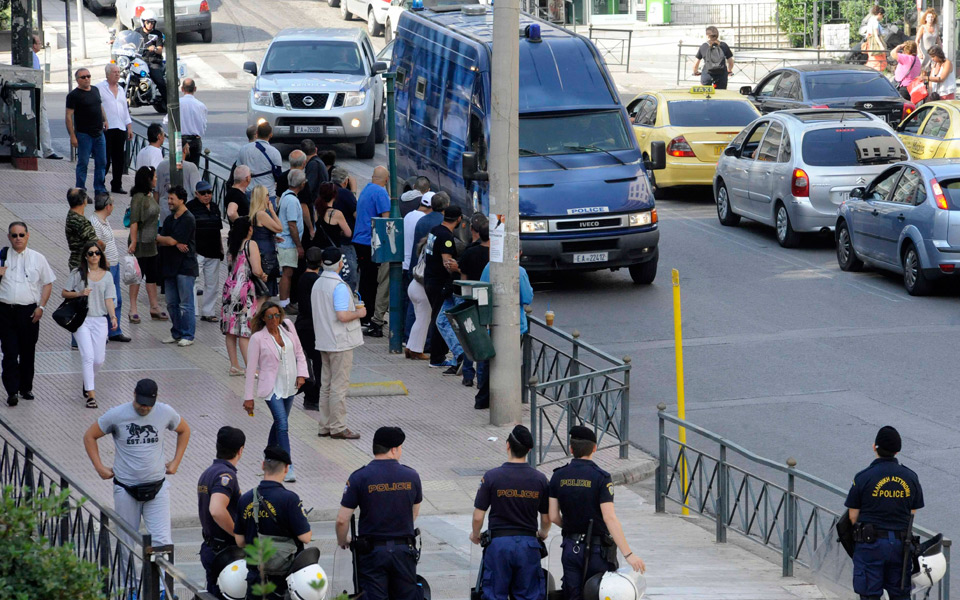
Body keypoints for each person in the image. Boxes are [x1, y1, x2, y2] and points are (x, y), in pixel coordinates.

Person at [82, 378, 191, 567]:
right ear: (134, 395)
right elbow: (90, 436)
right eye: (141, 403)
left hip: (157, 488)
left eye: (149, 404)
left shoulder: (165, 412)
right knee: (126, 543)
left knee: (162, 543)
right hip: (126, 489)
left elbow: (184, 430)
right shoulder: (117, 414)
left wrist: (176, 462)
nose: (144, 408)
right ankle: (128, 582)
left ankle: (162, 583)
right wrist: (99, 467)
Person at [549, 426, 646, 600]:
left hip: (570, 547)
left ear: (571, 449)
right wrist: (628, 554)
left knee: (572, 595)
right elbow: (609, 518)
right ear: (594, 448)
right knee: (598, 593)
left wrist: (571, 526)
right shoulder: (601, 477)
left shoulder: (558, 476)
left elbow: (553, 516)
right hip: (597, 550)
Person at [336, 426, 423, 599]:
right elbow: (413, 514)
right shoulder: (411, 476)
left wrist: (343, 540)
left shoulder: (359, 477)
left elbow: (342, 519)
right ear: (394, 449)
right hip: (403, 551)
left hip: (372, 553)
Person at [470, 425, 551, 600]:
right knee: (529, 595)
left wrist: (475, 534)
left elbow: (478, 516)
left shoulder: (491, 477)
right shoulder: (540, 479)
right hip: (528, 545)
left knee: (494, 594)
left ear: (507, 445)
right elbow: (546, 517)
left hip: (499, 545)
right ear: (529, 450)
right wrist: (543, 533)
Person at [845, 426, 924, 600]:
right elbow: (912, 512)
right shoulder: (910, 477)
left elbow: (852, 516)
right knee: (900, 594)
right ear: (898, 450)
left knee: (869, 594)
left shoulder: (863, 477)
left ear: (875, 447)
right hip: (901, 546)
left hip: (870, 544)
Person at [234, 447, 312, 599]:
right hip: (283, 582)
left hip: (256, 580)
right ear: (286, 468)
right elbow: (305, 537)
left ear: (263, 465)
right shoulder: (290, 499)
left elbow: (240, 541)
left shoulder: (245, 499)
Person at [243, 302, 308, 482]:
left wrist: (302, 374)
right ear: (263, 318)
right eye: (270, 316)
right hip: (272, 388)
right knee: (282, 424)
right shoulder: (258, 338)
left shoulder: (288, 327)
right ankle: (288, 466)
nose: (274, 319)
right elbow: (251, 369)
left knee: (280, 422)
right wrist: (248, 397)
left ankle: (268, 454)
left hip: (289, 385)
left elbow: (299, 352)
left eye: (277, 315)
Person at [0, 222, 55, 407]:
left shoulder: (37, 258)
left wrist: (42, 307)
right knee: (9, 352)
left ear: (28, 236)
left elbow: (48, 283)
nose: (18, 239)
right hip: (5, 311)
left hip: (28, 311)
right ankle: (11, 391)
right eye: (14, 235)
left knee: (27, 351)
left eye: (21, 235)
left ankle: (25, 387)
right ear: (9, 237)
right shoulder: (2, 257)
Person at [312, 247, 364, 440]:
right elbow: (342, 315)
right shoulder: (339, 286)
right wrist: (359, 313)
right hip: (340, 342)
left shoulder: (318, 283)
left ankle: (325, 425)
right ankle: (338, 426)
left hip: (324, 340)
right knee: (339, 386)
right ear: (340, 264)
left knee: (326, 384)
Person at [62, 241, 116, 408]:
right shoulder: (78, 273)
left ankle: (88, 381)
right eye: (91, 253)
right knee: (88, 356)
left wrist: (113, 317)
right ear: (85, 256)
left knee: (99, 360)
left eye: (97, 253)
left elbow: (109, 299)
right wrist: (79, 293)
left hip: (100, 319)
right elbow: (64, 292)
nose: (94, 256)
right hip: (82, 320)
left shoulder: (107, 275)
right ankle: (91, 395)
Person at [477, 253, 533, 409]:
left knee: (490, 362)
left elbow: (481, 289)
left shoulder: (489, 267)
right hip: (512, 324)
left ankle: (483, 397)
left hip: (490, 321)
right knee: (509, 363)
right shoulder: (519, 271)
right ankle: (504, 399)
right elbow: (527, 298)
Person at [198, 426, 245, 600]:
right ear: (240, 450)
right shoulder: (226, 476)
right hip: (224, 552)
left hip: (211, 547)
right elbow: (216, 510)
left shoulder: (208, 472)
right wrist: (238, 534)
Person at [221, 216, 267, 376]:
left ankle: (234, 365)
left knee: (231, 330)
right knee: (244, 330)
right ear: (249, 229)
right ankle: (251, 368)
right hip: (245, 291)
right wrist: (263, 275)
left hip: (229, 288)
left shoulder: (231, 245)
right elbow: (256, 270)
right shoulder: (250, 244)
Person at [450, 213, 490, 387]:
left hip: (471, 299)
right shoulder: (496, 256)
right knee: (484, 341)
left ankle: (467, 375)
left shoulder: (470, 252)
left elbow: (464, 279)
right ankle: (482, 379)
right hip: (488, 301)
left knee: (471, 337)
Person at [157, 186, 199, 347]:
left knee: (186, 304)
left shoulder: (188, 219)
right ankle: (177, 332)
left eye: (172, 199)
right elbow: (166, 240)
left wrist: (169, 241)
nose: (169, 202)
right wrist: (170, 241)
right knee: (171, 303)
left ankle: (188, 335)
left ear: (181, 200)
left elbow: (170, 240)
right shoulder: (169, 219)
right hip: (169, 267)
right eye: (168, 199)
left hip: (185, 267)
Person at [424, 206, 463, 368]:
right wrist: (458, 269)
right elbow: (447, 263)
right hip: (439, 283)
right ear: (459, 219)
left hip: (429, 278)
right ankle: (437, 357)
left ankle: (437, 356)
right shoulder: (446, 236)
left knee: (436, 317)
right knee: (440, 320)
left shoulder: (435, 230)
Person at [127, 166, 167, 323]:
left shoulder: (149, 195)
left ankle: (154, 307)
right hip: (140, 243)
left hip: (151, 243)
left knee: (152, 275)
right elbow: (134, 221)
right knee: (137, 276)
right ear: (148, 179)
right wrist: (134, 242)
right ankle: (133, 309)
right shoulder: (138, 198)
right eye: (154, 177)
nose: (156, 179)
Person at [354, 166, 391, 333]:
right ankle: (369, 316)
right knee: (372, 281)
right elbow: (386, 220)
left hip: (360, 240)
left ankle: (364, 314)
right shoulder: (381, 192)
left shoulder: (367, 189)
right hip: (370, 242)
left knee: (365, 279)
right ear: (387, 180)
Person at [90, 193, 130, 342]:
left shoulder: (104, 221)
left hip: (114, 264)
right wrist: (104, 261)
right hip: (106, 266)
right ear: (108, 206)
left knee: (116, 298)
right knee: (107, 299)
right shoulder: (95, 223)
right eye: (112, 205)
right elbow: (96, 245)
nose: (113, 208)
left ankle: (114, 330)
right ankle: (104, 331)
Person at [65, 68, 107, 194]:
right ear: (77, 80)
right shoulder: (73, 96)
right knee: (83, 163)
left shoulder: (95, 90)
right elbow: (68, 116)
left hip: (99, 133)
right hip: (84, 135)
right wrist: (72, 136)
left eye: (88, 76)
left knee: (102, 162)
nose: (87, 79)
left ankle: (99, 189)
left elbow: (99, 106)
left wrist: (105, 120)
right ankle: (80, 190)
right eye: (83, 77)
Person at [187, 180, 224, 322]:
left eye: (209, 192)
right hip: (198, 251)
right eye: (203, 193)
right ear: (196, 194)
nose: (207, 195)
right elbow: (188, 229)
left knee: (212, 284)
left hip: (213, 251)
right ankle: (193, 311)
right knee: (193, 282)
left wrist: (221, 248)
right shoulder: (190, 207)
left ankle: (208, 312)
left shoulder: (214, 207)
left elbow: (218, 230)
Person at [95, 64, 133, 194]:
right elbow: (96, 106)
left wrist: (129, 126)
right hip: (107, 128)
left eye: (118, 72)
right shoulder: (100, 88)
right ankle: (100, 184)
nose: (117, 74)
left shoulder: (121, 89)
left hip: (120, 127)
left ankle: (117, 184)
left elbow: (125, 110)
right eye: (114, 72)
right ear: (107, 74)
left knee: (119, 159)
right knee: (105, 158)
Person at [402, 192, 433, 348]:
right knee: (421, 315)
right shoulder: (424, 221)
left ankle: (407, 339)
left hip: (406, 264)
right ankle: (416, 345)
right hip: (418, 271)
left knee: (410, 307)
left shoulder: (409, 216)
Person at [295, 247, 324, 411]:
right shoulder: (318, 281)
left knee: (306, 362)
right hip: (314, 327)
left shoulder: (302, 278)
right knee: (317, 363)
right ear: (321, 262)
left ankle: (309, 396)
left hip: (302, 326)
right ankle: (313, 398)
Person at [277, 169, 307, 312]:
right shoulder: (292, 200)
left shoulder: (285, 195)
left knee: (287, 273)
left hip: (285, 241)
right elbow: (292, 225)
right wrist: (299, 246)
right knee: (287, 273)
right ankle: (284, 303)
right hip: (288, 243)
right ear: (301, 184)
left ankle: (286, 301)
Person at [31, 35, 62, 160]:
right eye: (39, 43)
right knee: (41, 120)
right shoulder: (32, 57)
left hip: (35, 91)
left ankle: (42, 149)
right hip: (36, 91)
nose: (41, 45)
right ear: (33, 45)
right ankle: (46, 150)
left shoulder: (32, 56)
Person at [250, 184, 284, 297]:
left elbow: (259, 232)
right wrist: (272, 211)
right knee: (265, 291)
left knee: (261, 290)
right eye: (267, 195)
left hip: (260, 249)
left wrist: (272, 236)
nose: (269, 197)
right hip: (266, 253)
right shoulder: (262, 214)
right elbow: (279, 228)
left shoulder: (253, 214)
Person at [156, 141, 201, 223]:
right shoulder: (191, 167)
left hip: (165, 212)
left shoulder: (161, 166)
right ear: (185, 149)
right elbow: (197, 192)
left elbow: (156, 192)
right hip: (185, 213)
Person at [238, 122, 283, 200]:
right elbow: (278, 175)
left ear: (257, 133)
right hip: (268, 193)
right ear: (271, 135)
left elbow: (239, 170)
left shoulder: (244, 149)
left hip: (249, 192)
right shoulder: (275, 152)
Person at [331, 166, 359, 291]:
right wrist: (353, 193)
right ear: (346, 181)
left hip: (329, 240)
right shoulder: (346, 194)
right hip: (345, 242)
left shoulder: (327, 190)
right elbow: (356, 214)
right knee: (350, 274)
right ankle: (347, 296)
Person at [135, 10, 167, 105]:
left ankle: (169, 103)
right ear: (143, 22)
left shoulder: (157, 34)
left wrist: (155, 49)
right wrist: (120, 41)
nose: (150, 25)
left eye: (152, 23)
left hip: (153, 61)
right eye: (148, 22)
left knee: (159, 80)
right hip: (139, 60)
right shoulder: (137, 32)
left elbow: (160, 49)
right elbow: (130, 40)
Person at [65, 187, 100, 271]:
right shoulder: (80, 221)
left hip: (75, 262)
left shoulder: (71, 214)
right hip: (83, 264)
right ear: (84, 201)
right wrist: (103, 246)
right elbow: (95, 242)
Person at [178, 79, 208, 167]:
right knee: (193, 168)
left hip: (180, 140)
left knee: (179, 167)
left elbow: (167, 121)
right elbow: (203, 126)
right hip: (195, 140)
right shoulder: (201, 105)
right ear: (195, 89)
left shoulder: (177, 103)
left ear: (182, 89)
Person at [316, 182, 352, 250]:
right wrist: (339, 232)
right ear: (334, 196)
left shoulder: (317, 210)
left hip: (319, 248)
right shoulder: (336, 214)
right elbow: (348, 233)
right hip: (332, 250)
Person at [863, 6, 888, 73]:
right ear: (879, 14)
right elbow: (876, 35)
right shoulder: (875, 22)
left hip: (870, 43)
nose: (882, 17)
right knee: (878, 61)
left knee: (873, 60)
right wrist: (881, 46)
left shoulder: (871, 20)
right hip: (875, 44)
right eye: (882, 15)